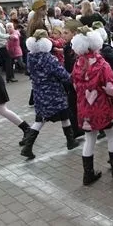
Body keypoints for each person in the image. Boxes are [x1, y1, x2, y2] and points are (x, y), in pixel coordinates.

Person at [71, 26, 113, 185]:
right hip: (102, 108)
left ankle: (88, 174)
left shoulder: (77, 64)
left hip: (84, 108)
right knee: (112, 134)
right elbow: (112, 88)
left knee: (89, 138)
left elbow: (74, 85)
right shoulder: (101, 64)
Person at [20, 30, 79, 159]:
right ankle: (70, 141)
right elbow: (61, 73)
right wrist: (72, 78)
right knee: (64, 115)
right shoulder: (48, 58)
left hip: (39, 93)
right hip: (54, 93)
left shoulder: (30, 57)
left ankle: (27, 147)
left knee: (40, 120)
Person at [61, 20, 85, 139]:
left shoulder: (81, 48)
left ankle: (101, 127)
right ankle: (76, 129)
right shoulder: (67, 47)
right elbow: (67, 65)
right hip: (71, 80)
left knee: (86, 104)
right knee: (72, 105)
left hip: (81, 81)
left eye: (66, 33)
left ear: (74, 33)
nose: (63, 35)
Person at [0, 8, 17, 83]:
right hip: (0, 44)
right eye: (2, 14)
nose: (3, 15)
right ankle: (9, 77)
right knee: (8, 59)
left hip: (1, 43)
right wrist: (8, 36)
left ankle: (9, 76)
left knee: (6, 60)